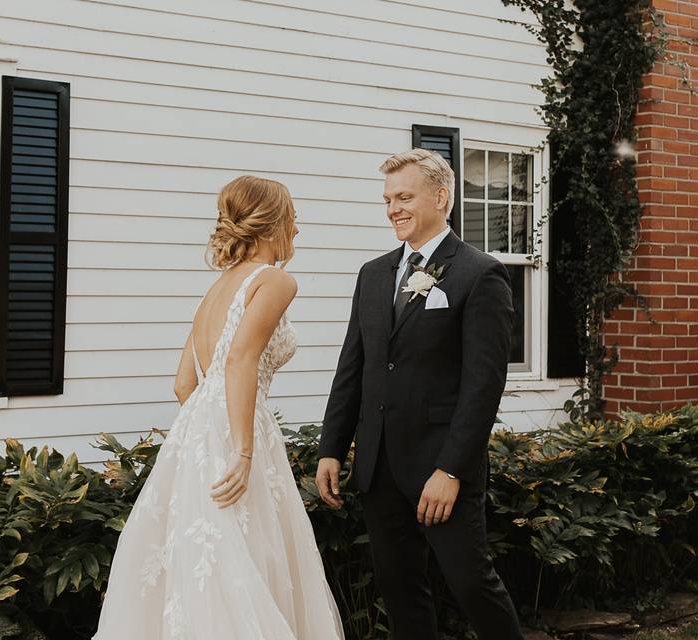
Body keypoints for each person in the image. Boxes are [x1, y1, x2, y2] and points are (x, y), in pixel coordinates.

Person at [94, 176, 344, 640]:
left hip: (197, 429)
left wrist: (206, 431)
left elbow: (183, 384)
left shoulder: (215, 289)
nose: (297, 229)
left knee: (208, 560)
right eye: (293, 218)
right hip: (238, 427)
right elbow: (240, 359)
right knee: (245, 556)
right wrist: (243, 448)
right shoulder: (275, 280)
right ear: (273, 224)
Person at [316, 149, 524, 640]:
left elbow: (483, 387)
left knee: (472, 585)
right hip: (379, 466)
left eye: (404, 197)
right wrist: (331, 447)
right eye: (388, 199)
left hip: (441, 468)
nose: (393, 209)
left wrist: (451, 470)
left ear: (441, 197)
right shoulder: (372, 274)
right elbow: (354, 367)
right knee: (400, 591)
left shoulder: (480, 275)